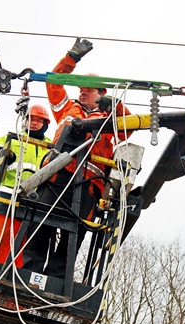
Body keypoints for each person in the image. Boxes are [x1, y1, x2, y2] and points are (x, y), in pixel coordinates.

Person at [23, 38, 132, 278]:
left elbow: (129, 128)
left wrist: (114, 104)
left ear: (101, 94)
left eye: (88, 90)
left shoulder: (111, 119)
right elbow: (54, 82)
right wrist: (71, 57)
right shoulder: (67, 108)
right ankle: (28, 275)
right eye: (81, 90)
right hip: (57, 176)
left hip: (88, 186)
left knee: (74, 233)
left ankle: (57, 281)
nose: (82, 94)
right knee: (41, 225)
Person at [0, 103, 52, 268]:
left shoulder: (51, 147)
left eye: (38, 120)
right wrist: (0, 154)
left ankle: (16, 279)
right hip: (7, 201)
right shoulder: (13, 139)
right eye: (30, 119)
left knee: (26, 248)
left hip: (35, 204)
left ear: (45, 124)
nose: (33, 123)